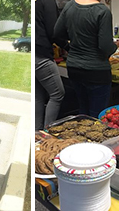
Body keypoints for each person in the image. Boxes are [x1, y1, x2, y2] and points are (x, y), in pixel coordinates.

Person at [54, 0, 119, 118]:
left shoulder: (69, 6)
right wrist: (115, 46)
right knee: (97, 115)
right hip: (96, 71)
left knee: (83, 109)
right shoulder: (102, 11)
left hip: (74, 68)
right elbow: (105, 46)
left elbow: (57, 33)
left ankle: (79, 136)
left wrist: (74, 41)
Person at [35, 0, 68, 130]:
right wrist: (67, 46)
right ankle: (48, 135)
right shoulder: (47, 2)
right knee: (57, 94)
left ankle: (37, 135)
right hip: (41, 55)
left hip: (36, 54)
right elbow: (53, 31)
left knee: (38, 97)